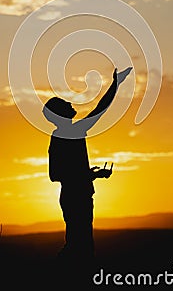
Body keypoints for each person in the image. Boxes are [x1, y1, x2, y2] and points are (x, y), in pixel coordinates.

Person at [43, 67, 132, 265]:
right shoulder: (67, 135)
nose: (70, 103)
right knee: (80, 247)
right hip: (77, 197)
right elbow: (55, 174)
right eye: (65, 104)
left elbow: (62, 173)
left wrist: (92, 174)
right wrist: (116, 84)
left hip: (76, 195)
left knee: (79, 245)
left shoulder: (64, 135)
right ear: (60, 114)